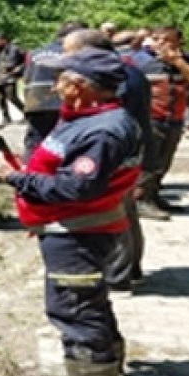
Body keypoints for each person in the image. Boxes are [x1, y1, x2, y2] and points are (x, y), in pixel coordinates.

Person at [0, 48, 141, 376]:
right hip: (74, 227)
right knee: (88, 302)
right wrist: (29, 170)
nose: (55, 86)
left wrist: (16, 178)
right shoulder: (86, 117)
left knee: (75, 307)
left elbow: (77, 188)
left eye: (61, 79)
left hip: (79, 232)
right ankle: (98, 375)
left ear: (79, 86)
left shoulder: (104, 130)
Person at [63, 30, 151, 291]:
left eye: (69, 51)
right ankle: (130, 267)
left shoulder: (113, 77)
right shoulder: (128, 69)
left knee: (114, 210)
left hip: (118, 152)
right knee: (126, 210)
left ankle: (117, 275)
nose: (66, 57)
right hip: (129, 149)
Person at [131, 25, 189, 217]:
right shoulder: (140, 60)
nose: (160, 44)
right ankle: (139, 199)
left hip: (174, 118)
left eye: (166, 40)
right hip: (149, 119)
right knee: (147, 162)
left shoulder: (188, 59)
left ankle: (153, 195)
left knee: (163, 161)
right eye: (156, 39)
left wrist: (178, 63)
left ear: (178, 42)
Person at [23, 21, 87, 157]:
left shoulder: (34, 52)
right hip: (61, 102)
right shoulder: (72, 51)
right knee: (63, 140)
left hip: (34, 102)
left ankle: (29, 170)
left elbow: (26, 76)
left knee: (35, 140)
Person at [0, 34, 26, 124]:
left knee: (12, 97)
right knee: (1, 99)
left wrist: (20, 68)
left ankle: (27, 114)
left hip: (10, 76)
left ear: (4, 40)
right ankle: (6, 118)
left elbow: (27, 59)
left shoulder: (15, 48)